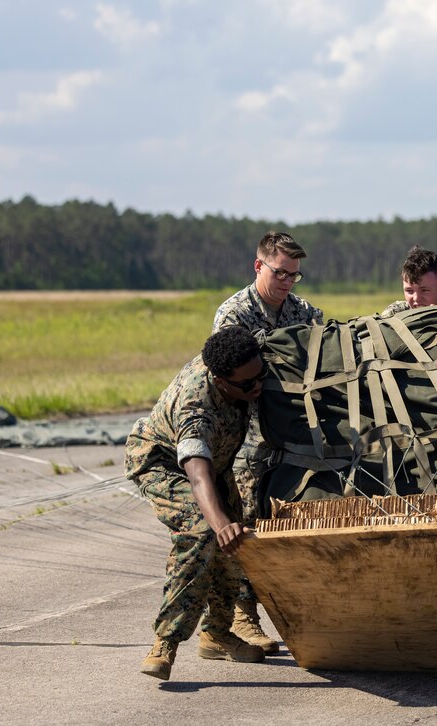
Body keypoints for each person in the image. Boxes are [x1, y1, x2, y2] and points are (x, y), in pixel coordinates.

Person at [125, 326, 269, 681]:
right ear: (221, 381)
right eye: (248, 384)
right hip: (164, 464)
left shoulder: (245, 363)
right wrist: (220, 524)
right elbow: (197, 475)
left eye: (260, 376)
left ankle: (217, 635)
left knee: (237, 541)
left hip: (215, 463)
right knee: (204, 531)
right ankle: (165, 643)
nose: (258, 386)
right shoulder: (195, 409)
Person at [212, 231, 323, 653]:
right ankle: (242, 618)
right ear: (258, 266)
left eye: (295, 275)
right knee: (244, 523)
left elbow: (326, 349)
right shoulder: (234, 314)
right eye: (281, 273)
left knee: (286, 519)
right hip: (246, 436)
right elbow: (232, 375)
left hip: (292, 433)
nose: (288, 283)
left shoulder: (303, 311)